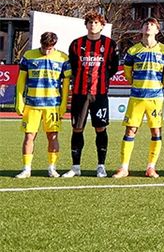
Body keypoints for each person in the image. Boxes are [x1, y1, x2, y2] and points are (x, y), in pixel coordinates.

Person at [114, 18, 164, 179]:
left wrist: (161, 83)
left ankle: (151, 167)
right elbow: (127, 72)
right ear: (141, 29)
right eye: (146, 24)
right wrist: (134, 83)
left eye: (152, 25)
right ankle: (124, 168)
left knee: (156, 131)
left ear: (157, 30)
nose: (149, 26)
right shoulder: (133, 50)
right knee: (130, 130)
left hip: (155, 98)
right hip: (137, 97)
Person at [65, 12, 121, 178]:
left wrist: (101, 79)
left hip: (100, 94)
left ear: (102, 25)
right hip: (80, 94)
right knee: (77, 128)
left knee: (100, 128)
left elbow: (113, 67)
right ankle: (75, 167)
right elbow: (74, 67)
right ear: (86, 25)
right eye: (90, 22)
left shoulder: (110, 44)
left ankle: (101, 166)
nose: (92, 25)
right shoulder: (76, 44)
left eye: (96, 22)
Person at [15, 32, 70, 179]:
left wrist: (64, 104)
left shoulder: (63, 58)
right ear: (40, 43)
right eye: (45, 47)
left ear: (54, 45)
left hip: (52, 105)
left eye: (50, 48)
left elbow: (65, 84)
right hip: (32, 104)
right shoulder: (28, 55)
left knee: (52, 137)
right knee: (29, 136)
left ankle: (52, 168)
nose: (47, 50)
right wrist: (19, 101)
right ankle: (26, 169)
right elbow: (21, 80)